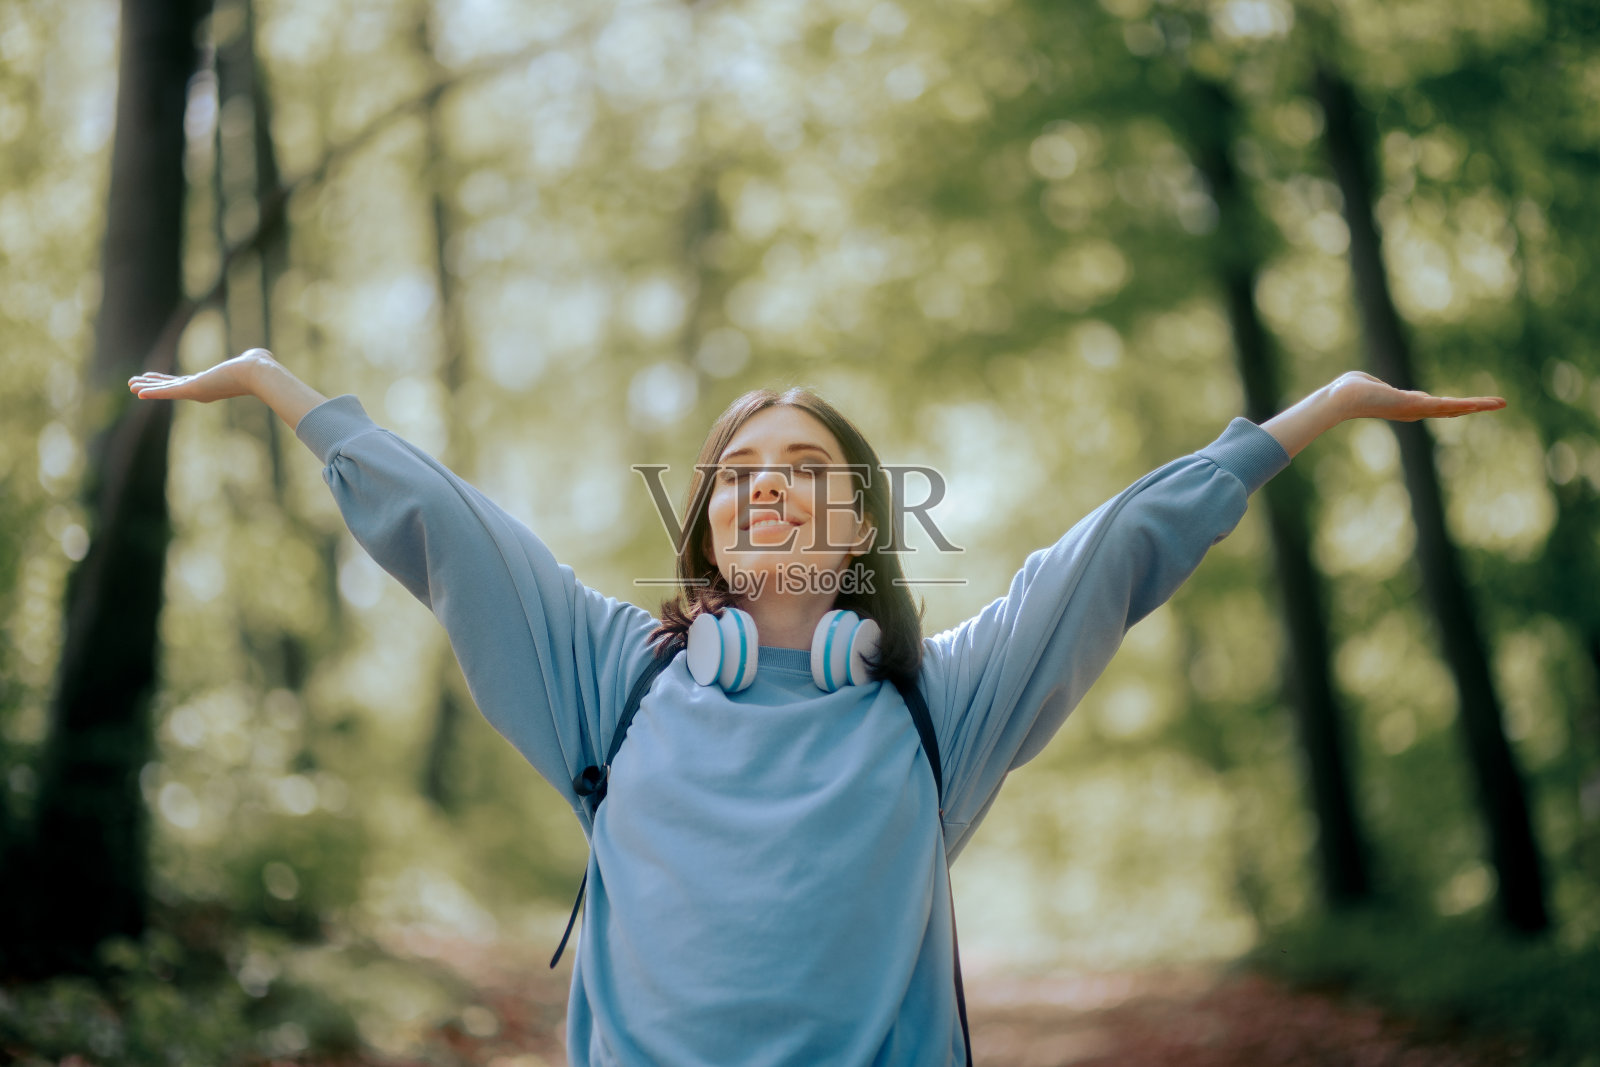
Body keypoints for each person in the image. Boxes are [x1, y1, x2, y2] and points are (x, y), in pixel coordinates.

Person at [129, 351, 1504, 1065]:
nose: (770, 486)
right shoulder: (615, 681)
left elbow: (1112, 555)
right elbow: (452, 531)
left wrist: (1306, 419)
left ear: (862, 524)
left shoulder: (935, 708)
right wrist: (281, 391)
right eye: (737, 472)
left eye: (809, 466)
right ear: (706, 524)